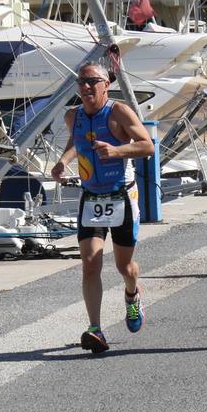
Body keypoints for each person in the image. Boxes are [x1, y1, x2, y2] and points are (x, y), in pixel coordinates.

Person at [50, 64, 154, 354]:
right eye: (81, 82)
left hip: (121, 196)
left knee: (124, 266)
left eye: (92, 81)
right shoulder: (74, 116)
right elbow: (77, 140)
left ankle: (132, 294)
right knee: (90, 262)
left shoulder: (118, 112)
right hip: (91, 197)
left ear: (106, 84)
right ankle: (95, 328)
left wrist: (118, 150)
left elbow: (147, 146)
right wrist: (63, 161)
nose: (86, 87)